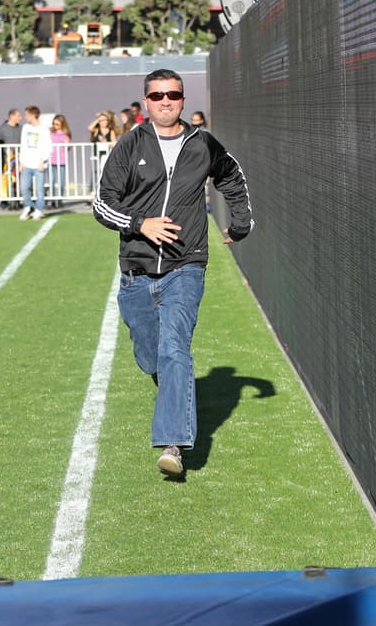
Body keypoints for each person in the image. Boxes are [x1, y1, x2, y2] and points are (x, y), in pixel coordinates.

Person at [93, 69, 253, 477]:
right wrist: (139, 224)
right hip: (136, 272)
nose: (166, 101)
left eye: (174, 94)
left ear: (184, 99)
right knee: (151, 356)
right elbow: (102, 204)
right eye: (157, 95)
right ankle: (171, 394)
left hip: (186, 266)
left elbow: (231, 176)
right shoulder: (130, 145)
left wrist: (240, 223)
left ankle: (173, 445)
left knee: (174, 349)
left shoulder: (203, 144)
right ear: (146, 102)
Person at [17, 106, 51, 220]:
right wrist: (21, 161)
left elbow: (48, 146)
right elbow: (23, 145)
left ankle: (39, 209)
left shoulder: (44, 129)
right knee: (24, 188)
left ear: (32, 115)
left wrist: (43, 160)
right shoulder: (26, 128)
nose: (25, 117)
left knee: (39, 189)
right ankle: (29, 207)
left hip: (39, 164)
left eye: (26, 114)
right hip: (27, 163)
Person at [0, 108, 22, 209]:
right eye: (18, 116)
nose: (20, 118)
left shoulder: (21, 128)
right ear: (12, 116)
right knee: (5, 178)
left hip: (18, 157)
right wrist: (5, 152)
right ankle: (4, 200)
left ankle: (17, 199)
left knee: (17, 178)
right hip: (6, 158)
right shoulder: (2, 129)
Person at [88, 109, 120, 191]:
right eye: (101, 120)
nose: (103, 122)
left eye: (105, 120)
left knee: (106, 172)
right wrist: (98, 118)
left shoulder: (111, 131)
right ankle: (92, 190)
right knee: (95, 172)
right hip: (97, 155)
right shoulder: (96, 130)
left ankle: (105, 190)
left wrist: (107, 143)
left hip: (107, 155)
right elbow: (89, 128)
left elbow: (114, 143)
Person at [48, 114, 71, 208]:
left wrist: (67, 143)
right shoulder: (50, 133)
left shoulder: (65, 134)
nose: (55, 126)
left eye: (57, 124)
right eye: (54, 124)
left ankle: (60, 200)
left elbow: (68, 146)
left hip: (61, 160)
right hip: (51, 160)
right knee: (52, 181)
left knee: (61, 182)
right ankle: (52, 201)